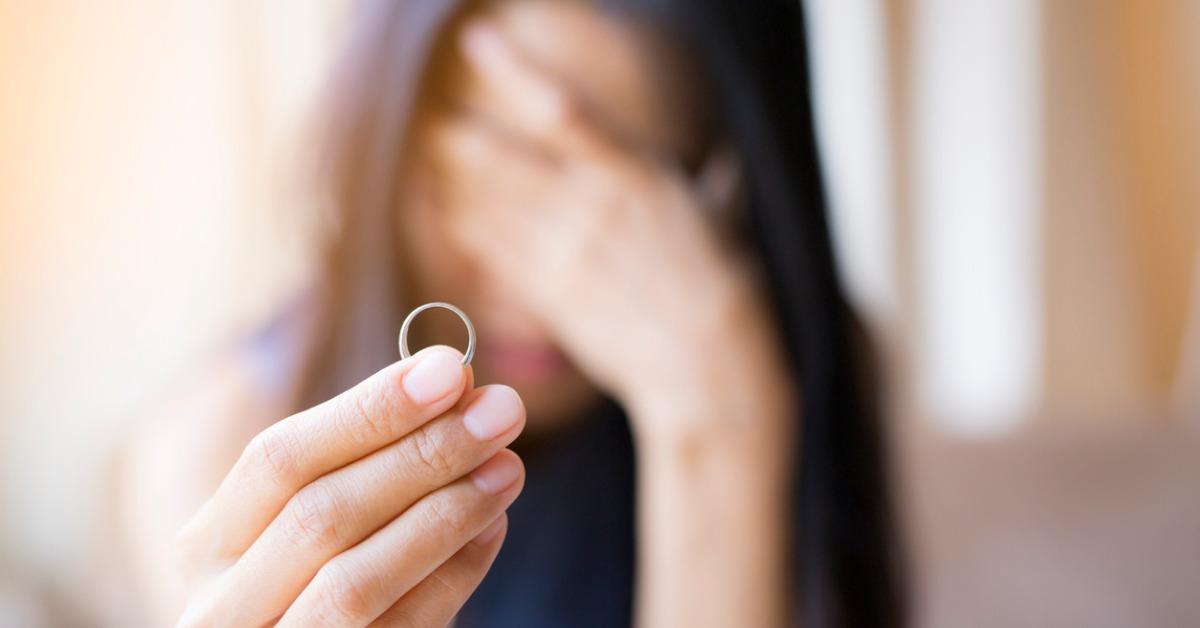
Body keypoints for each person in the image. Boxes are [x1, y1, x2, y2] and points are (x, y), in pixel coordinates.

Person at [116, 0, 906, 626]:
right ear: (385, 143)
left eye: (621, 209)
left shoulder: (782, 379)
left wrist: (717, 429)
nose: (538, 290)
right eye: (495, 180)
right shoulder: (223, 440)